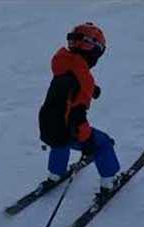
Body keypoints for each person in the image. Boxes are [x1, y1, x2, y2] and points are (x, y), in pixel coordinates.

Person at [39, 22, 120, 197]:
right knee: (104, 143)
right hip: (70, 129)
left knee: (60, 142)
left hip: (49, 128)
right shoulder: (83, 78)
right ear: (94, 50)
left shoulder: (63, 63)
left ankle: (54, 175)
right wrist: (88, 143)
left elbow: (72, 83)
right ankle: (109, 183)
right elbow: (77, 116)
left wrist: (92, 89)